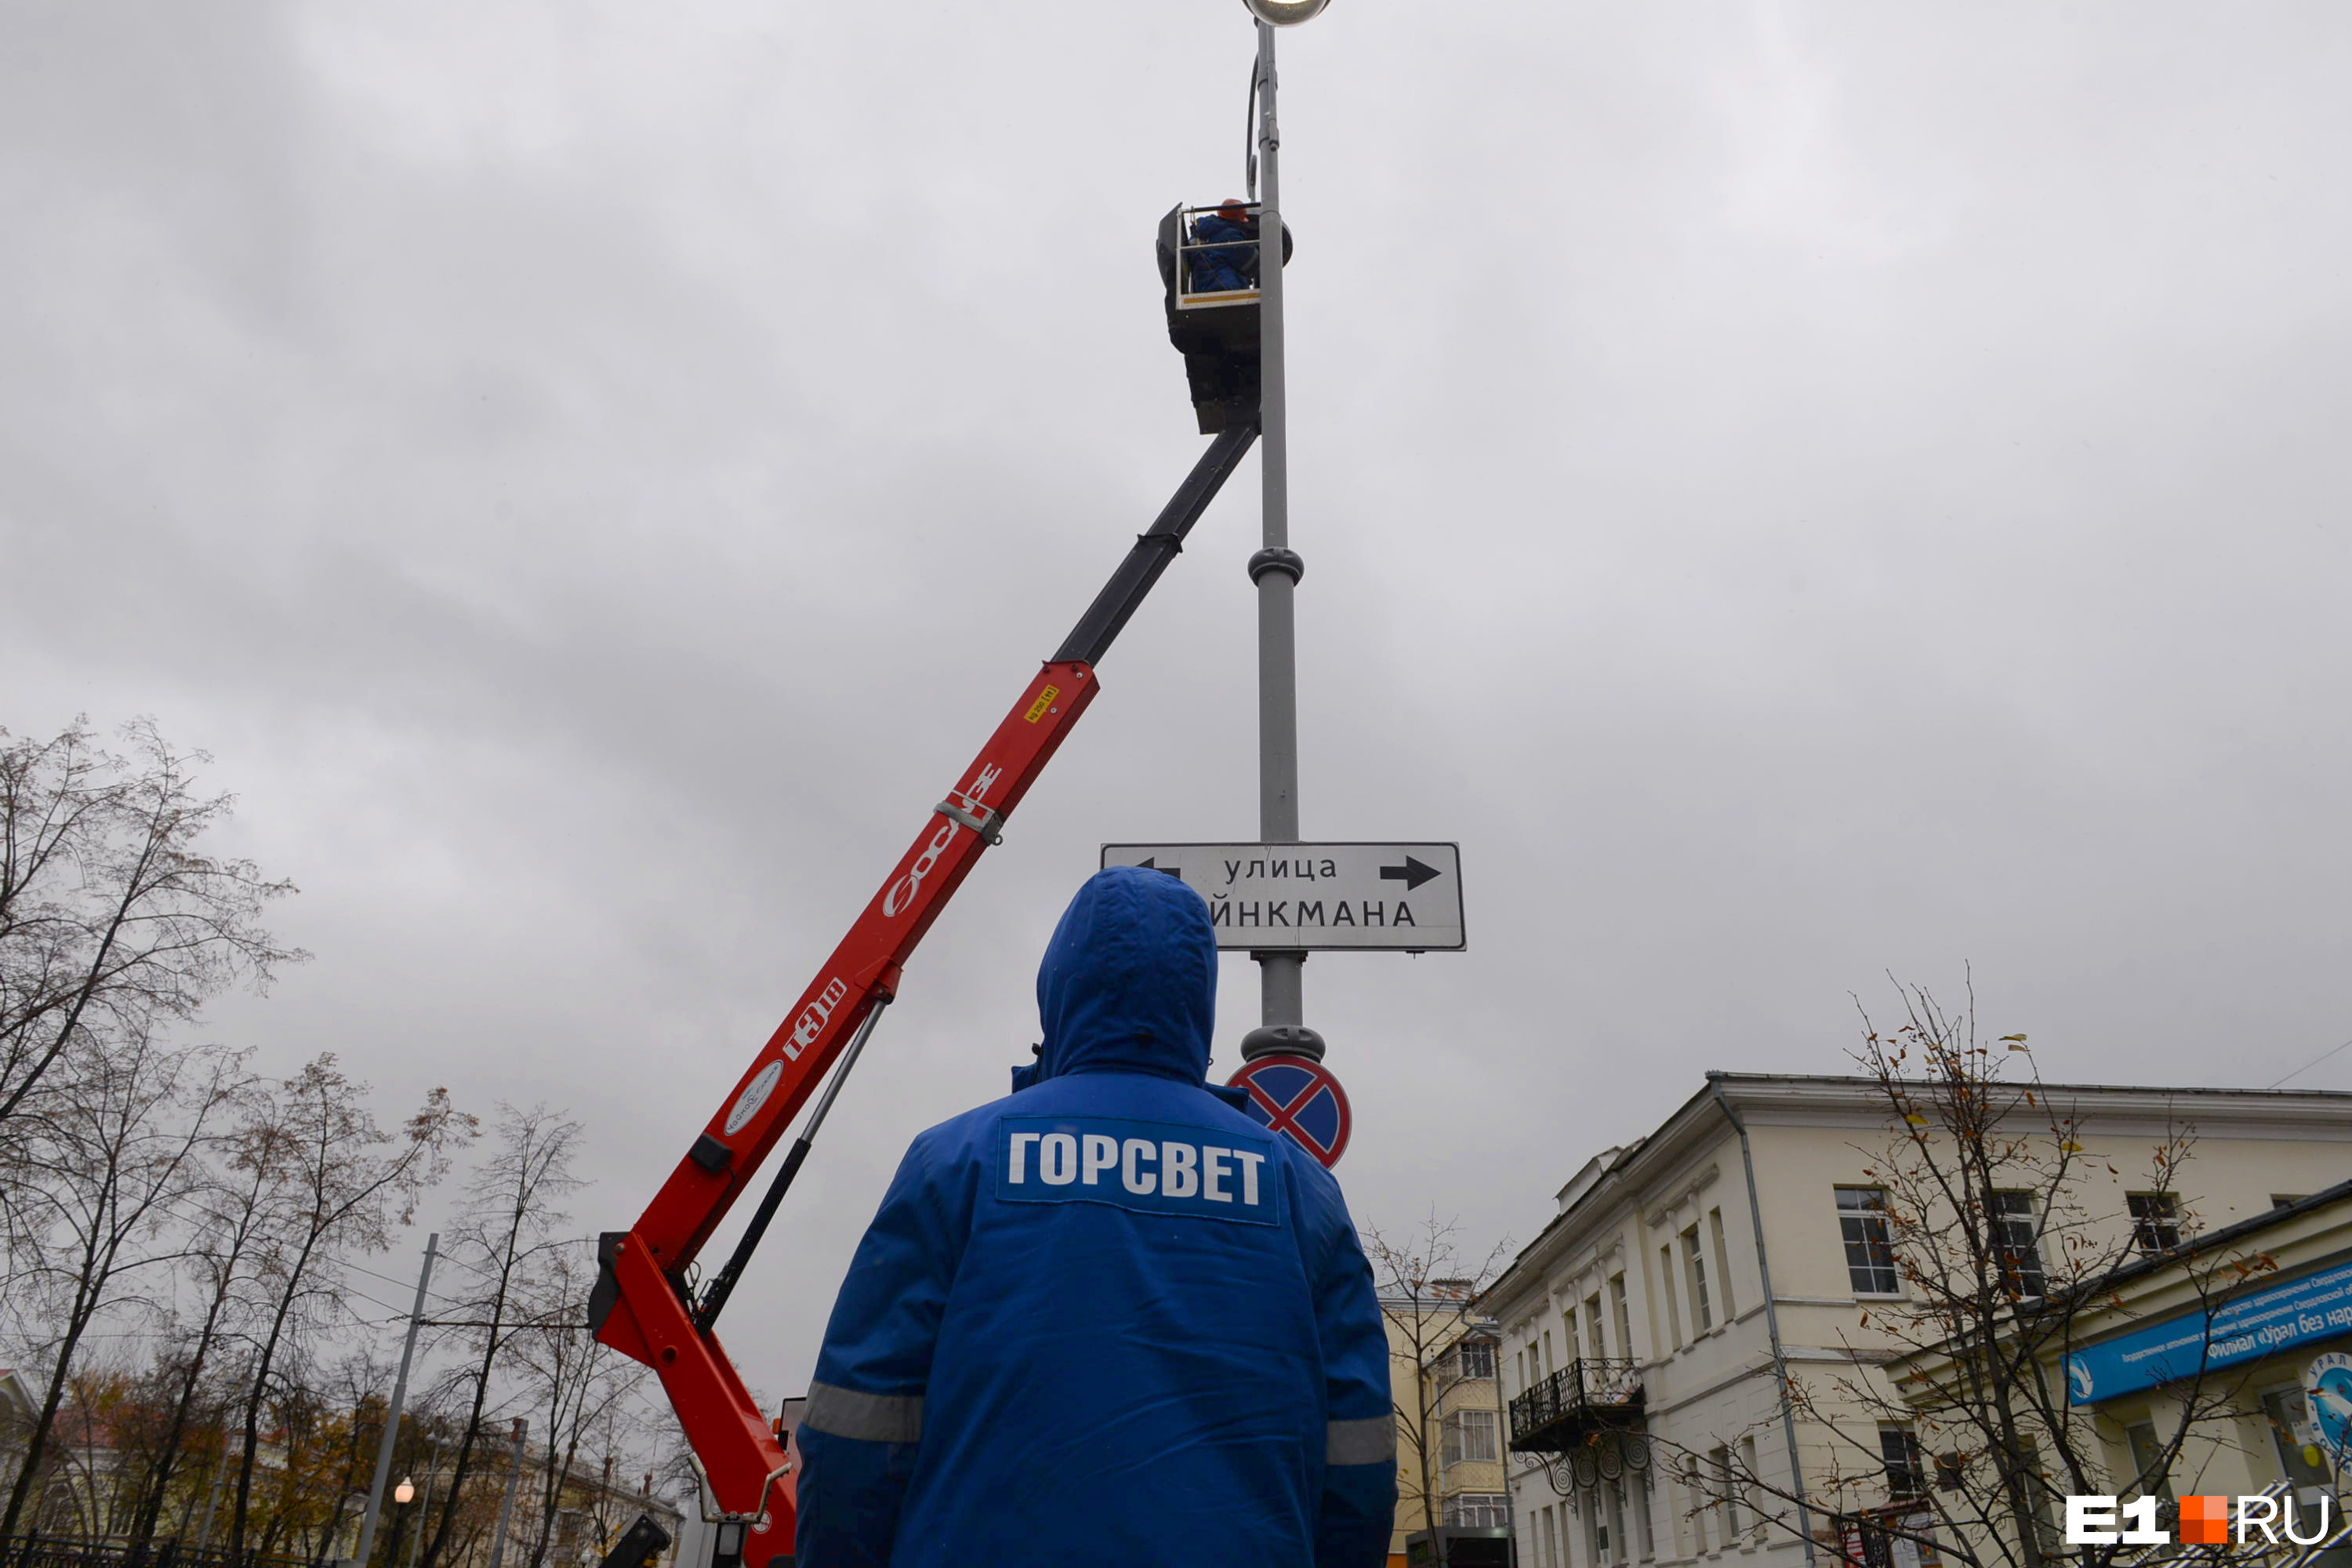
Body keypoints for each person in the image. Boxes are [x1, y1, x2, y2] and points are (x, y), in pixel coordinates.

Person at [795, 866, 1397, 1568]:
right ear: (1198, 996)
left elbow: (857, 1433)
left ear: (1059, 986)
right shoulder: (1301, 1190)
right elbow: (1358, 1460)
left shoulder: (957, 1162)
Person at [1189, 197, 1260, 294]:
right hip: (1225, 286)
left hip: (1202, 286)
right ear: (1237, 220)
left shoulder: (1201, 231)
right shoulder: (1229, 234)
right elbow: (1252, 262)